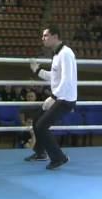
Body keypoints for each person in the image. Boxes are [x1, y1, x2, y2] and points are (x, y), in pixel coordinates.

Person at [27, 25, 78, 170]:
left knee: (42, 125)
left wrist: (54, 97)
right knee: (37, 120)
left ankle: (59, 157)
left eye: (46, 35)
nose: (43, 38)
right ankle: (40, 152)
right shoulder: (57, 54)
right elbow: (54, 76)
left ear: (55, 36)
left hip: (65, 99)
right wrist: (37, 71)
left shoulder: (66, 54)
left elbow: (67, 79)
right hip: (59, 97)